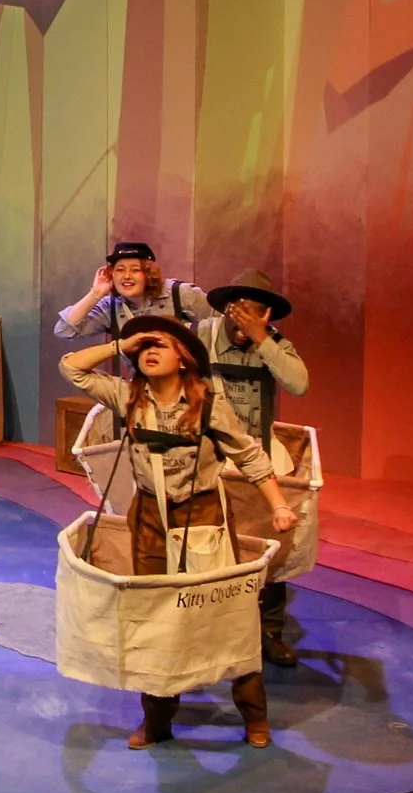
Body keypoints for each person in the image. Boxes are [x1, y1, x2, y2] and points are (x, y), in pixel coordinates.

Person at [59, 315, 298, 748]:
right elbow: (73, 367)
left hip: (202, 515)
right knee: (155, 616)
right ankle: (157, 720)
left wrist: (279, 505)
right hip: (149, 517)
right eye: (144, 346)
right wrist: (120, 345)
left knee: (224, 613)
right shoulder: (127, 395)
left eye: (161, 344)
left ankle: (254, 716)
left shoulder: (207, 404)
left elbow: (249, 456)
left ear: (185, 359)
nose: (149, 350)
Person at [196, 269, 311, 668]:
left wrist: (262, 339)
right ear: (229, 309)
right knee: (211, 540)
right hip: (210, 455)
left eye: (257, 312)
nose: (247, 318)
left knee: (271, 544)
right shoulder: (203, 336)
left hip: (258, 453)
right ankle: (213, 627)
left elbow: (298, 384)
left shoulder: (275, 343)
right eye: (242, 310)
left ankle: (269, 631)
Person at [52, 241, 212, 361]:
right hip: (143, 388)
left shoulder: (181, 293)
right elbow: (64, 330)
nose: (127, 276)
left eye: (135, 270)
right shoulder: (111, 306)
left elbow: (218, 328)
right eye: (120, 270)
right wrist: (95, 293)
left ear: (148, 274)